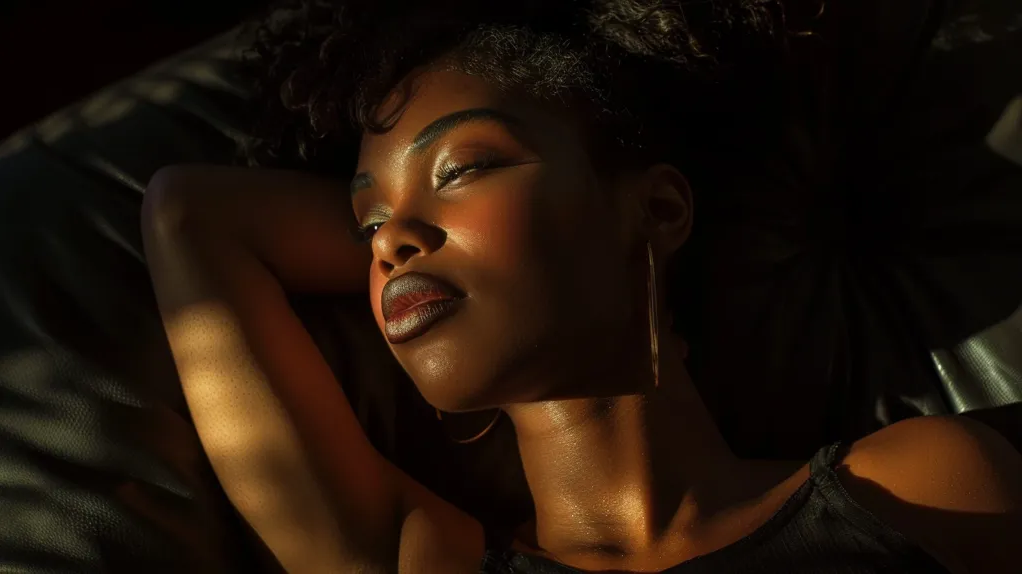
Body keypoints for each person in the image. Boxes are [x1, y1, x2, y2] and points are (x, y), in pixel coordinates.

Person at [141, 0, 1022, 572]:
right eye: (367, 224)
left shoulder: (918, 492)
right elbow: (193, 215)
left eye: (464, 167)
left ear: (660, 208)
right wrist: (445, 237)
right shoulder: (418, 561)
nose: (390, 242)